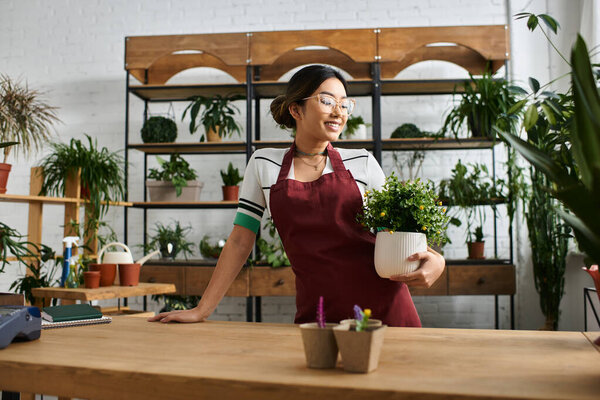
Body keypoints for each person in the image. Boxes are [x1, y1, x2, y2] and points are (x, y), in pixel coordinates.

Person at [148, 65, 445, 326]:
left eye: (344, 104)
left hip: (384, 309)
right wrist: (202, 309)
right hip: (318, 313)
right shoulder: (264, 164)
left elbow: (395, 233)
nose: (338, 112)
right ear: (296, 110)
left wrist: (437, 260)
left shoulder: (363, 162)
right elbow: (240, 240)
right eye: (327, 101)